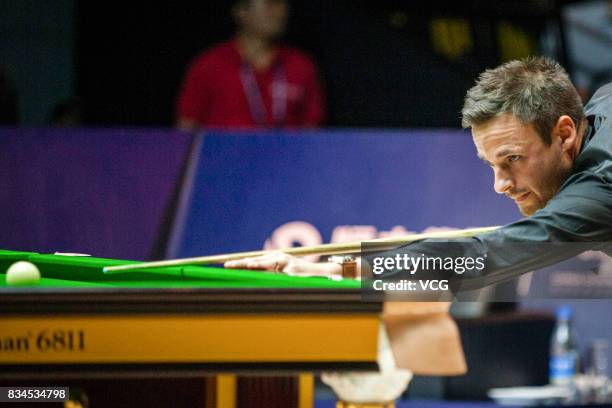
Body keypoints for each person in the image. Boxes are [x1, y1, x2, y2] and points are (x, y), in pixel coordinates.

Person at [225, 57, 612, 291]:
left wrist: (325, 269)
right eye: (492, 164)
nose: (500, 184)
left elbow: (481, 258)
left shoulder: (599, 189)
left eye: (512, 158)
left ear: (564, 133)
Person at [176, 0, 325, 131]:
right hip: (225, 160)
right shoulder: (208, 65)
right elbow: (187, 129)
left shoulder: (301, 66)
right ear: (242, 12)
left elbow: (312, 129)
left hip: (287, 159)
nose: (282, 11)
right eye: (271, 4)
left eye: (283, 4)